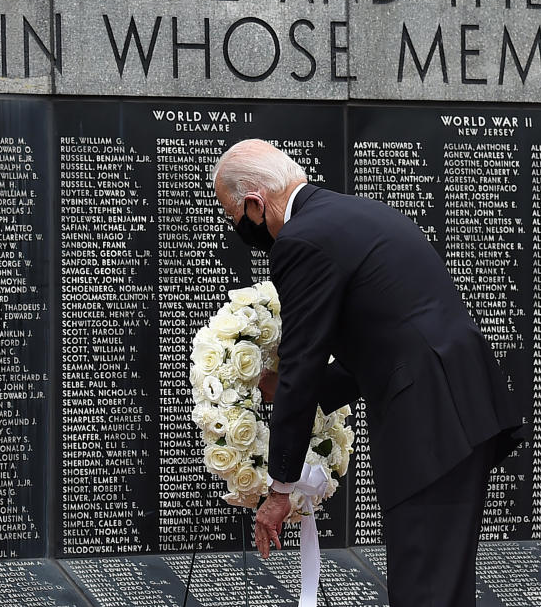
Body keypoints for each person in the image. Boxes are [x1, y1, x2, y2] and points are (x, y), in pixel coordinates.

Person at [212, 139, 524, 607]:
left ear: (255, 203)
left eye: (234, 217)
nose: (241, 229)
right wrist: (279, 389)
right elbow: (382, 343)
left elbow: (304, 359)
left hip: (430, 420)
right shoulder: (359, 213)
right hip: (459, 409)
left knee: (424, 586)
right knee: (441, 583)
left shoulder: (300, 240)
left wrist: (279, 488)